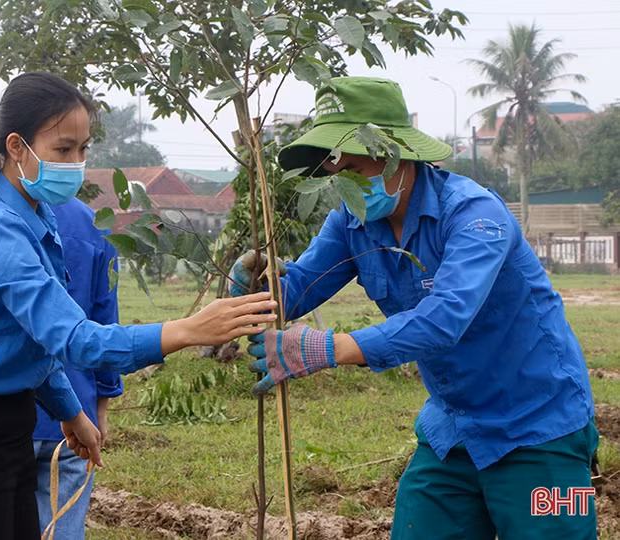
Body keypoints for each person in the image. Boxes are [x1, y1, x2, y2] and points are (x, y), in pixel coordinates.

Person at [0, 71, 277, 540]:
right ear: (17, 147)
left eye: (83, 149)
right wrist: (188, 330)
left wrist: (70, 411)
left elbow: (35, 343)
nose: (76, 163)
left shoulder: (34, 216)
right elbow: (75, 339)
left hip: (4, 436)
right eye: (63, 149)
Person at [230, 77, 597, 540]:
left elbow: (445, 318)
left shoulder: (476, 216)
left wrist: (329, 348)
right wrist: (255, 287)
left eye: (354, 168)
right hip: (453, 428)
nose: (342, 183)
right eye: (332, 171)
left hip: (541, 426)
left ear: (394, 156)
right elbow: (301, 289)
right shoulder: (351, 221)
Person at [32, 197, 120, 539]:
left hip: (7, 409)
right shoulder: (96, 225)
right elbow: (104, 322)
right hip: (77, 415)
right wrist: (102, 405)